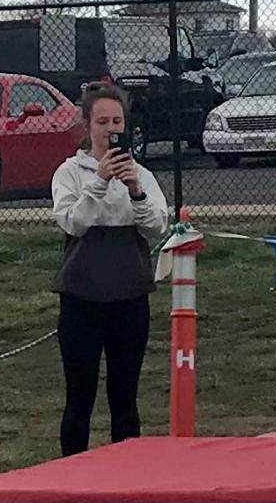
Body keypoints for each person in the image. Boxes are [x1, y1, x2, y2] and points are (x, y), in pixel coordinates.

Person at [51, 82, 168, 455]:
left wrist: (135, 190)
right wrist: (99, 181)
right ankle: (71, 477)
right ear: (87, 125)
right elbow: (73, 222)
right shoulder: (69, 173)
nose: (110, 128)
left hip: (129, 295)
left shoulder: (142, 174)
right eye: (102, 120)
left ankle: (125, 476)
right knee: (79, 397)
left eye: (117, 120)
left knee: (125, 396)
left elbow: (156, 227)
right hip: (82, 297)